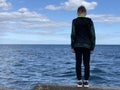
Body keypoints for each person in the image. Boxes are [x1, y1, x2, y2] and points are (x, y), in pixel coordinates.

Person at [71, 5, 96, 87]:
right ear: (85, 13)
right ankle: (86, 82)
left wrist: (72, 46)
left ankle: (79, 82)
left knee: (78, 63)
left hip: (77, 45)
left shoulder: (74, 21)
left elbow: (73, 34)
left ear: (78, 13)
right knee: (87, 64)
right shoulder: (89, 21)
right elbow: (93, 35)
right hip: (87, 46)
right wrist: (92, 47)